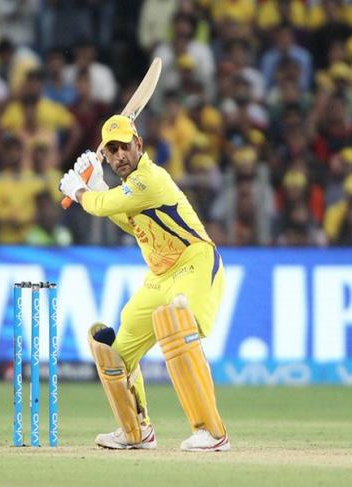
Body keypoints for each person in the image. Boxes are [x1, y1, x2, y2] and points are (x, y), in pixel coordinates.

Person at [59, 115, 230, 452]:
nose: (119, 155)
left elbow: (105, 206)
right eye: (112, 150)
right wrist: (98, 187)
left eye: (125, 147)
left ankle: (212, 432)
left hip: (194, 263)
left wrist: (79, 191)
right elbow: (128, 219)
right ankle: (135, 431)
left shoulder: (149, 179)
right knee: (114, 356)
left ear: (138, 144)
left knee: (178, 328)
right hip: (160, 276)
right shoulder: (130, 189)